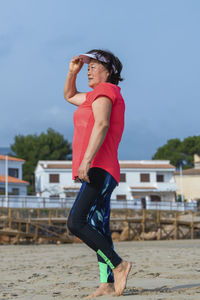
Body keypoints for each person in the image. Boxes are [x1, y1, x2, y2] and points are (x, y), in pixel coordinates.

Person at [64, 49, 131, 297]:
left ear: (109, 70)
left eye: (94, 65)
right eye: (87, 65)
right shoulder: (94, 95)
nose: (89, 69)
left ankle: (119, 265)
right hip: (100, 169)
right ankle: (107, 282)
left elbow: (102, 124)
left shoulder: (106, 91)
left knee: (76, 222)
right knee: (97, 226)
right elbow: (69, 95)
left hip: (99, 168)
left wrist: (86, 160)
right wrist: (72, 72)